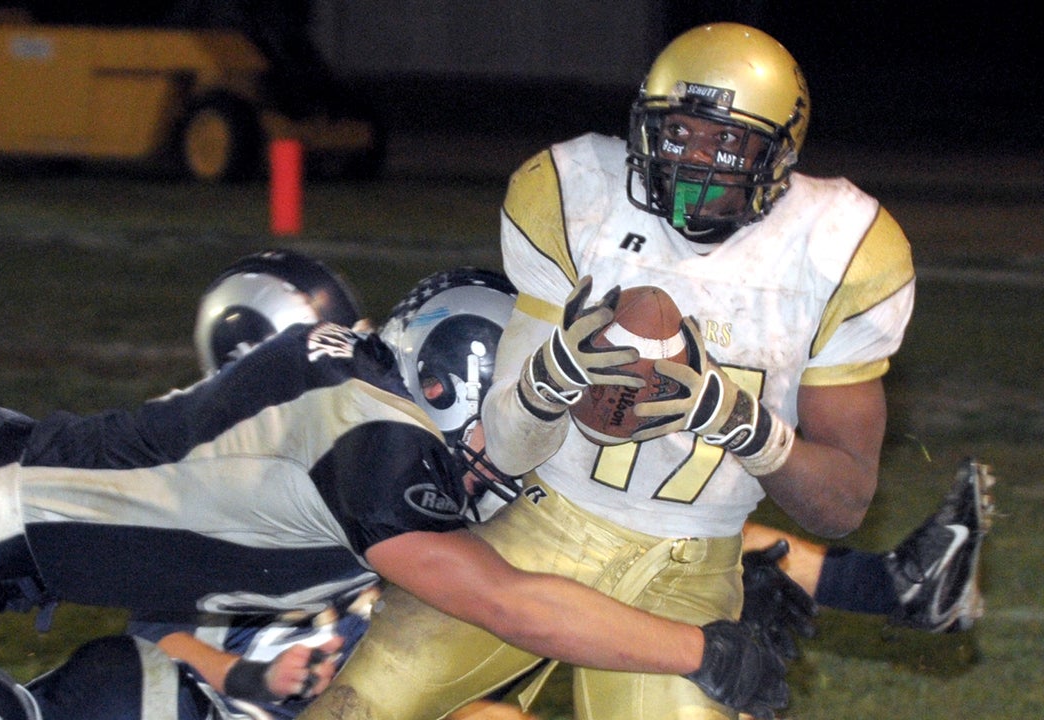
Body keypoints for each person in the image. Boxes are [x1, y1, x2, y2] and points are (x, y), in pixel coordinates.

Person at [0, 257, 793, 718]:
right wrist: (699, 648)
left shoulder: (369, 402)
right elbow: (501, 599)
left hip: (6, 523)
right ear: (453, 373)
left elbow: (548, 556)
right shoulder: (372, 431)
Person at [302, 22, 926, 720]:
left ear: (778, 152)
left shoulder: (839, 247)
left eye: (725, 142)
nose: (693, 164)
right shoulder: (578, 195)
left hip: (695, 565)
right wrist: (554, 376)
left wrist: (744, 426)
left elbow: (839, 505)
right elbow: (508, 447)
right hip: (543, 526)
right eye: (677, 134)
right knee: (355, 710)